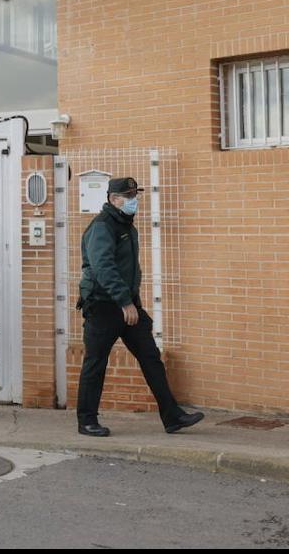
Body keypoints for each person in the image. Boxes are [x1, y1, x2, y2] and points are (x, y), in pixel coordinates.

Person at [75, 177, 204, 437]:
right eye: (129, 196)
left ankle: (172, 415)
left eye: (136, 195)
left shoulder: (126, 226)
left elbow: (129, 269)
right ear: (114, 199)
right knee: (95, 363)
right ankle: (87, 421)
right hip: (102, 305)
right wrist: (124, 301)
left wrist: (133, 302)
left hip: (127, 304)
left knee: (150, 357)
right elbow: (103, 268)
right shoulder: (103, 226)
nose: (134, 200)